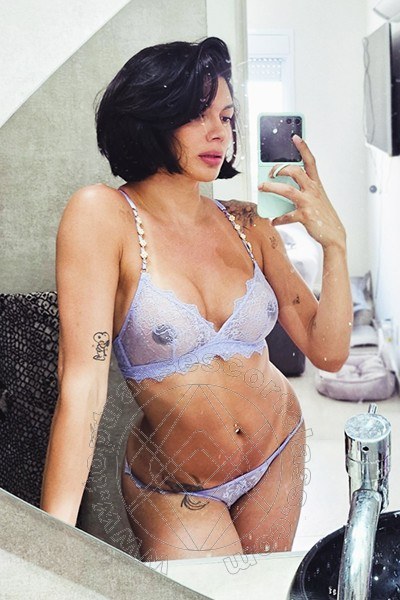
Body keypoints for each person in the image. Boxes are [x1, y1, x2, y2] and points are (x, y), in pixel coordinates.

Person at [40, 37, 352, 561]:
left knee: (262, 593)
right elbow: (82, 388)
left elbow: (330, 353)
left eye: (226, 118)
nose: (219, 133)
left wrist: (335, 245)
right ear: (151, 118)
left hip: (278, 450)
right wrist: (52, 547)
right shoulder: (101, 215)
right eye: (196, 115)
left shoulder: (248, 222)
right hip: (177, 489)